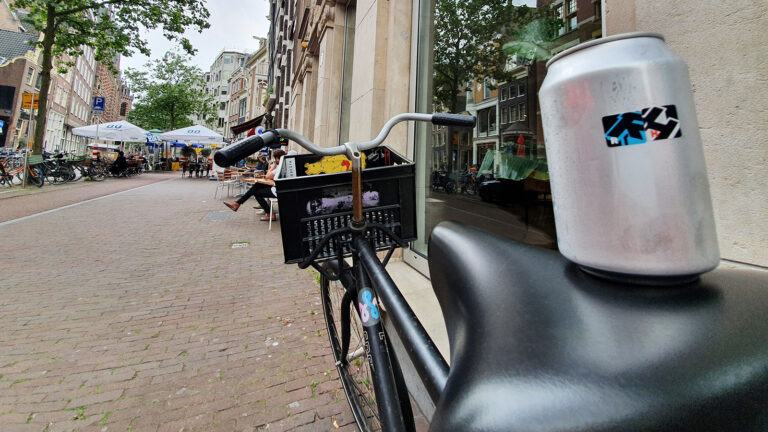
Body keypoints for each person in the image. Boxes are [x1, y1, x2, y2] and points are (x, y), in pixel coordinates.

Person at [223, 149, 285, 221]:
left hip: (278, 191)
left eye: (275, 158)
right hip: (278, 188)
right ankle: (237, 203)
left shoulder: (280, 167)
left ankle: (270, 214)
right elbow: (269, 176)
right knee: (257, 185)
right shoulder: (282, 165)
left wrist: (272, 167)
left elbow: (268, 176)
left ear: (278, 158)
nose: (275, 160)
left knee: (256, 193)